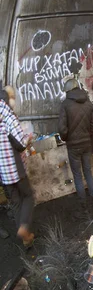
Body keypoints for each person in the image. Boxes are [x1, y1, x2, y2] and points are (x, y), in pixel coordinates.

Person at [58, 77, 93, 211]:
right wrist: (87, 135)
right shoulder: (88, 102)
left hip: (73, 147)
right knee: (88, 172)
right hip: (87, 144)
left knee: (77, 175)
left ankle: (83, 206)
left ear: (68, 90)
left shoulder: (65, 104)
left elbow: (62, 129)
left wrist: (66, 138)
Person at [0, 87, 35, 247]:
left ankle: (25, 240)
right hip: (15, 168)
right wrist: (28, 138)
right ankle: (24, 227)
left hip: (3, 172)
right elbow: (21, 143)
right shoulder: (7, 114)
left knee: (14, 202)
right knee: (28, 196)